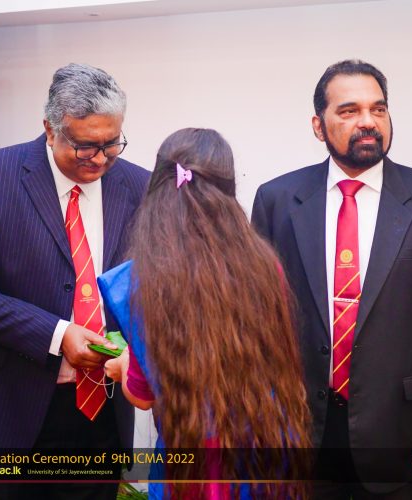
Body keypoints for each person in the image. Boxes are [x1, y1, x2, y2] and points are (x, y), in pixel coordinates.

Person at [251, 59, 412, 499]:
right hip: (299, 430)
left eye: (379, 109)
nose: (368, 121)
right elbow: (259, 320)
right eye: (349, 110)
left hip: (397, 434)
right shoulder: (277, 201)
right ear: (319, 126)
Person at [101, 127, 311, 498]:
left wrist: (121, 366)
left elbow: (143, 395)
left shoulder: (138, 282)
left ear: (158, 190)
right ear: (228, 191)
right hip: (264, 457)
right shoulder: (266, 267)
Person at [0, 63, 150, 499]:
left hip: (104, 412)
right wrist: (56, 335)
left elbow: (151, 289)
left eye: (111, 143)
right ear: (49, 129)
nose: (100, 158)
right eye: (84, 146)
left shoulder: (140, 185)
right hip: (15, 408)